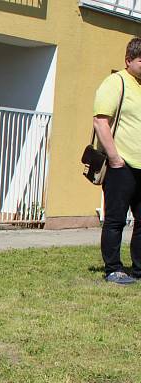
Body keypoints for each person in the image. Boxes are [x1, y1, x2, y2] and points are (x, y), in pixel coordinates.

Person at [93, 37, 141, 285]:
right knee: (115, 219)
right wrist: (115, 159)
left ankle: (139, 268)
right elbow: (101, 121)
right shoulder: (117, 82)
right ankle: (113, 268)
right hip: (121, 167)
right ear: (128, 60)